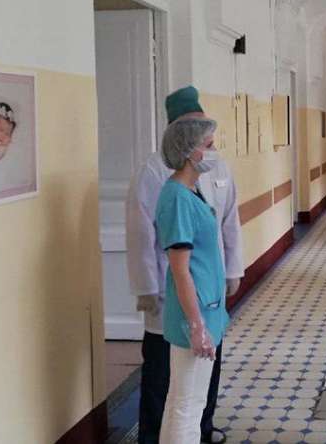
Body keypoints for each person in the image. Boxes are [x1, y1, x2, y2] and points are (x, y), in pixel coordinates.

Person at [126, 86, 244, 444]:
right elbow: (140, 233)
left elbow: (229, 221)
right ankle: (152, 435)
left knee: (197, 382)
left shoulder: (215, 167)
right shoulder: (155, 173)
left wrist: (233, 269)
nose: (210, 145)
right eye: (202, 136)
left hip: (205, 293)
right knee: (167, 379)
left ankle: (202, 431)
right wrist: (146, 288)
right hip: (176, 295)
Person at [155, 116, 230, 443]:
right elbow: (180, 268)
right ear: (189, 152)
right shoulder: (176, 198)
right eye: (209, 145)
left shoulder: (192, 191)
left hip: (206, 308)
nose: (214, 151)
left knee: (191, 402)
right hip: (193, 315)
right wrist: (196, 326)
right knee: (185, 405)